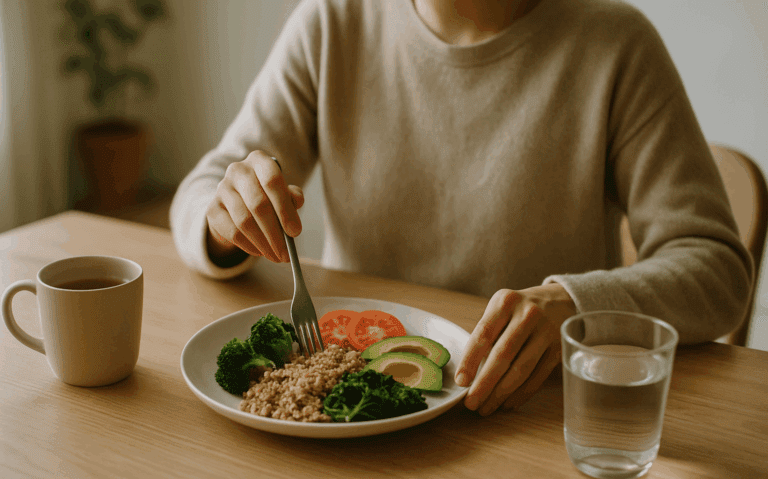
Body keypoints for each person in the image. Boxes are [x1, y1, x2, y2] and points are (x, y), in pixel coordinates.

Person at [170, 0, 753, 416]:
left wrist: (577, 303)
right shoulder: (330, 21)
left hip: (526, 414)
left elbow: (717, 268)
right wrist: (225, 220)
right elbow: (205, 187)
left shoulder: (616, 43)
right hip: (348, 420)